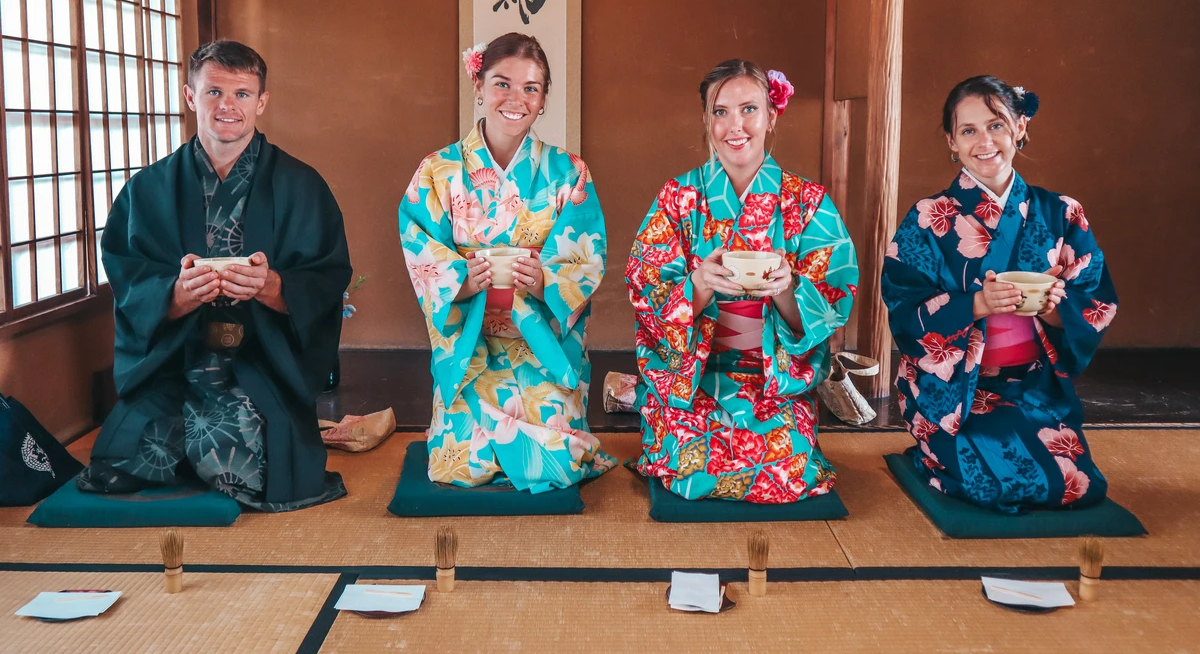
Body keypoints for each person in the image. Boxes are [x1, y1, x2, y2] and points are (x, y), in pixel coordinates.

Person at [77, 40, 351, 511]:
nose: (228, 106)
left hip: (259, 362)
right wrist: (174, 295)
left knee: (249, 469)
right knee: (119, 462)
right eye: (213, 92)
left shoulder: (301, 185)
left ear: (262, 101)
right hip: (178, 360)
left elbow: (326, 274)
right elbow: (127, 272)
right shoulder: (148, 189)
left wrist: (274, 288)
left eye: (243, 94)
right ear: (189, 96)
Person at [882, 76, 1117, 512]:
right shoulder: (928, 216)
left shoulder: (1062, 212)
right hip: (954, 391)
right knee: (990, 484)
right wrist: (977, 304)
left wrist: (1051, 310)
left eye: (996, 126)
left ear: (1020, 129)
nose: (984, 142)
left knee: (1076, 485)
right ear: (951, 141)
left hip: (1031, 385)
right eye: (968, 131)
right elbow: (903, 303)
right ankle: (934, 451)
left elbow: (1094, 298)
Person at [627, 60, 857, 503]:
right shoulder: (678, 198)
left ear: (772, 116)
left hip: (774, 382)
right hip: (695, 378)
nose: (735, 126)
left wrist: (788, 288)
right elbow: (645, 285)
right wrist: (697, 285)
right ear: (706, 121)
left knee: (788, 468)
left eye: (749, 109)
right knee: (693, 467)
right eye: (720, 112)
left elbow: (835, 295)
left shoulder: (807, 202)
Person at [399, 32, 614, 493]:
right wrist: (461, 278)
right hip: (469, 348)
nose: (516, 99)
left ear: (543, 99)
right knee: (459, 467)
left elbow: (586, 257)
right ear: (478, 86)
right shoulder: (437, 170)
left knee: (556, 462)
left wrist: (544, 280)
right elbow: (419, 243)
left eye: (531, 88)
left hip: (541, 349)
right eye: (502, 84)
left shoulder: (569, 171)